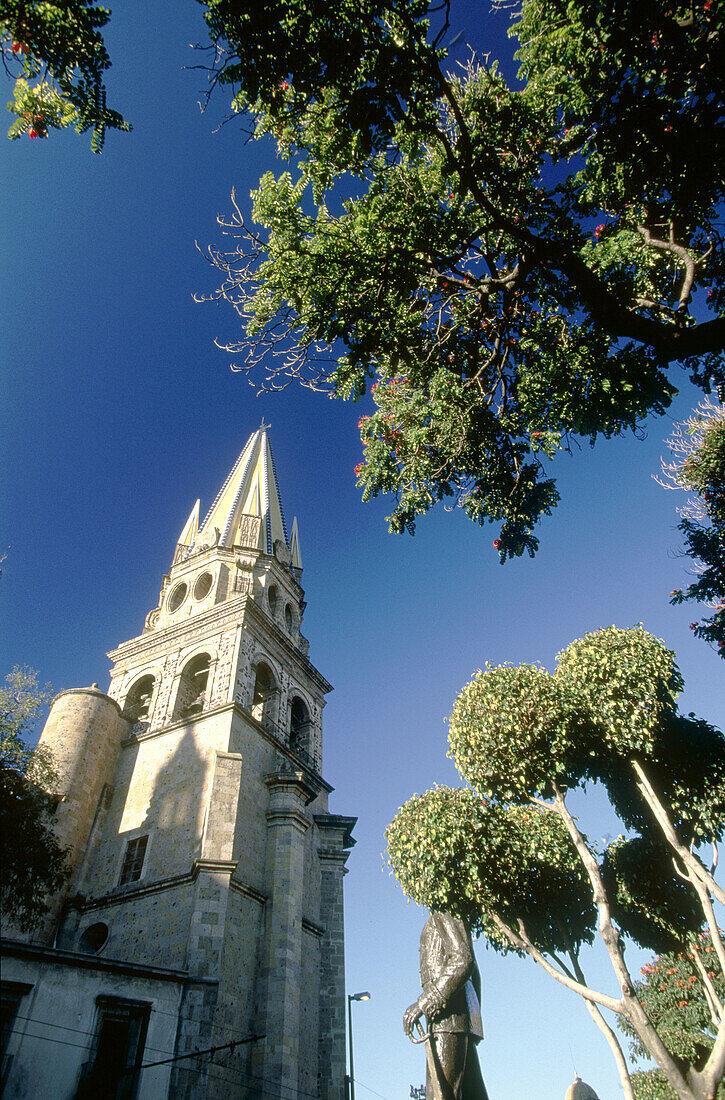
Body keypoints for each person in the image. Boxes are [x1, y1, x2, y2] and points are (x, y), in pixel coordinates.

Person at [403, 911, 489, 1100]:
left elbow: (463, 962)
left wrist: (423, 1004)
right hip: (455, 1021)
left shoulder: (442, 910)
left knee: (441, 1094)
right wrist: (472, 1023)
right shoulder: (445, 912)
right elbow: (474, 973)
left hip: (447, 1020)